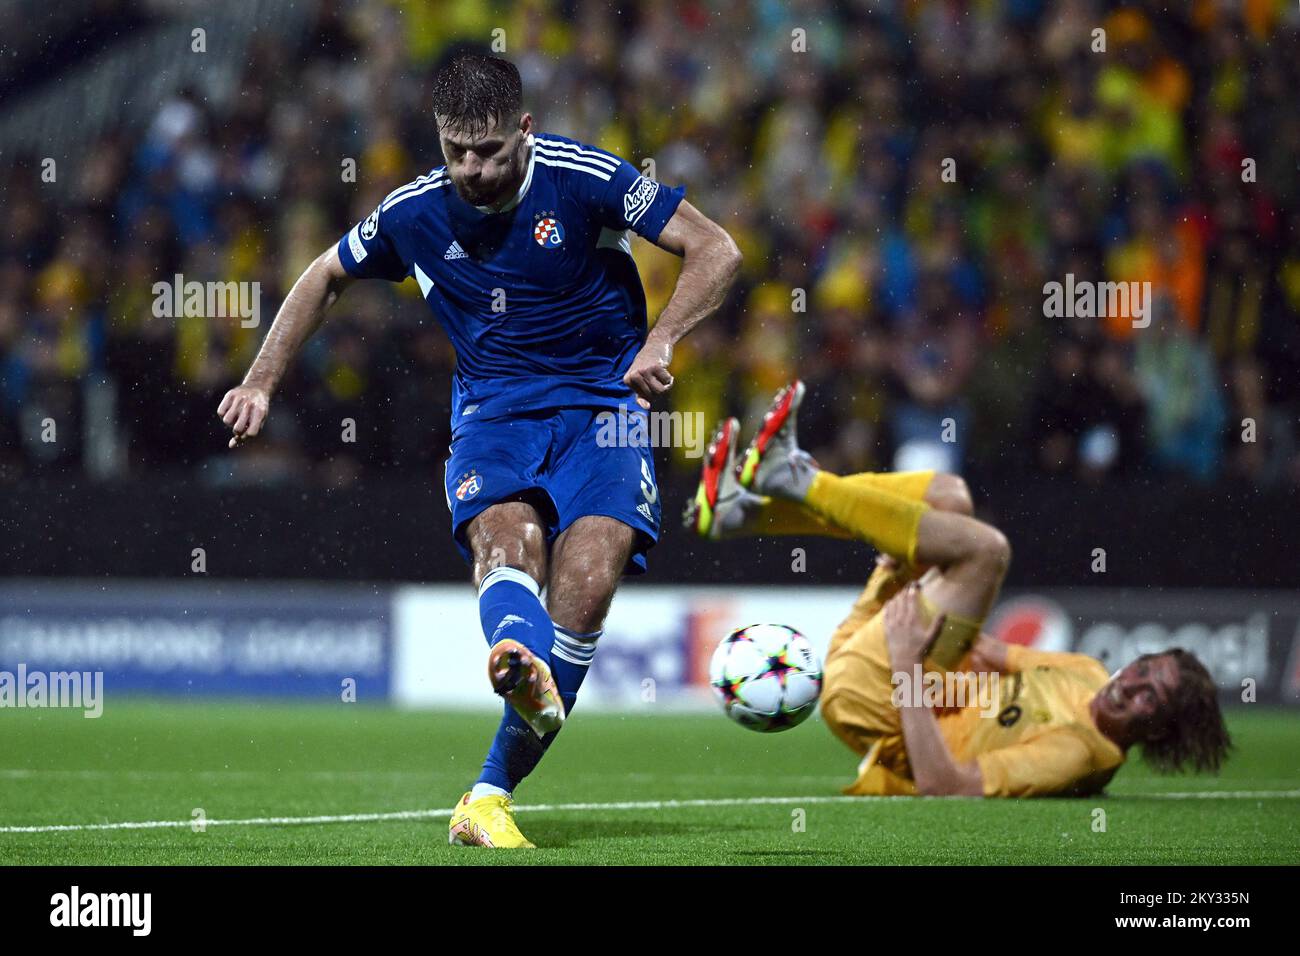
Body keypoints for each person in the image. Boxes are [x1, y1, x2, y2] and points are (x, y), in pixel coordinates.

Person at [218, 53, 741, 846]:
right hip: (495, 411)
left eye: (491, 150)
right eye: (456, 151)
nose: (473, 168)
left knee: (592, 575)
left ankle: (489, 790)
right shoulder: (414, 211)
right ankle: (516, 665)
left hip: (606, 404)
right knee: (509, 540)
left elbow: (718, 250)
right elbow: (324, 274)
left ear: (524, 131)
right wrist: (260, 380)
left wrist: (663, 337)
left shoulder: (586, 177)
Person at [687, 380, 1231, 796]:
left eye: (1149, 697)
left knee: (986, 552)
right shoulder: (1086, 674)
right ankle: (743, 515)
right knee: (951, 498)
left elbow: (944, 783)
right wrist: (922, 559)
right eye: (1143, 670)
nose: (1130, 686)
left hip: (884, 703)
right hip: (898, 658)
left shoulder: (1078, 755)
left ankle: (796, 480)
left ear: (1158, 732)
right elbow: (986, 650)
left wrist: (906, 663)